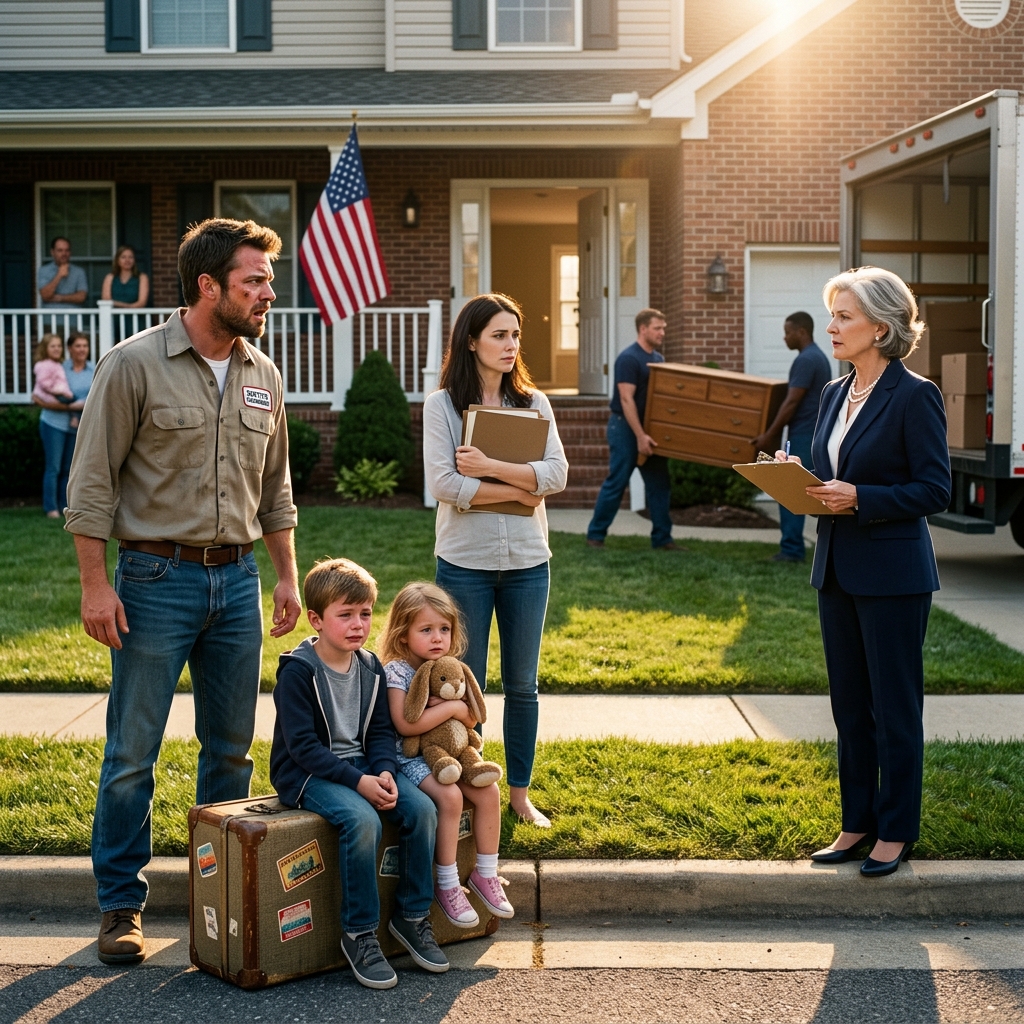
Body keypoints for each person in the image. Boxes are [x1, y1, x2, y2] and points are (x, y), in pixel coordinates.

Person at [64, 218, 301, 965]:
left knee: (229, 755)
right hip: (153, 579)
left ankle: (219, 901)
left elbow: (277, 489)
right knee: (133, 751)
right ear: (209, 285)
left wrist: (286, 573)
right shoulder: (132, 365)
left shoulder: (265, 375)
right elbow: (91, 483)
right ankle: (120, 908)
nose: (269, 292)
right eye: (254, 280)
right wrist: (96, 586)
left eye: (268, 279)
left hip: (236, 583)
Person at [777, 266, 950, 878]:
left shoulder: (915, 395)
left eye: (844, 317)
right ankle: (856, 823)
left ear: (880, 327)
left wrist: (863, 498)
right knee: (850, 707)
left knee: (894, 707)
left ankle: (895, 830)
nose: (833, 327)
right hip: (837, 569)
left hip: (895, 574)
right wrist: (795, 477)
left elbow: (935, 488)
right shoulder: (832, 392)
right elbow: (833, 473)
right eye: (833, 315)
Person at [422, 293, 568, 828]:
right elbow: (443, 483)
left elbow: (556, 476)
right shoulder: (442, 406)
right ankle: (464, 791)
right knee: (463, 682)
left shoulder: (535, 402)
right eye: (500, 335)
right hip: (465, 562)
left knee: (523, 684)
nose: (511, 346)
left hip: (529, 562)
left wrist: (489, 467)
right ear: (472, 341)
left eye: (516, 335)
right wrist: (521, 487)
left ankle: (520, 794)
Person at [270, 559, 448, 990]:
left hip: (366, 767)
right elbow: (304, 748)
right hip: (309, 775)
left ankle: (411, 916)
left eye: (365, 614)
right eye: (345, 615)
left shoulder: (370, 666)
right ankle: (360, 932)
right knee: (362, 819)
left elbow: (382, 733)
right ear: (316, 619)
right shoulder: (298, 672)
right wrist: (359, 783)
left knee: (423, 808)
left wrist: (384, 772)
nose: (357, 625)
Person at [379, 581, 513, 929]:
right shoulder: (397, 671)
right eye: (426, 629)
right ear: (403, 633)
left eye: (444, 629)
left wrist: (452, 705)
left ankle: (486, 874)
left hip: (453, 754)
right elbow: (407, 724)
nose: (437, 637)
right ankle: (447, 882)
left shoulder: (450, 668)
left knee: (490, 792)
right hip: (409, 759)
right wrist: (453, 705)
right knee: (451, 798)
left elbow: (472, 717)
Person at [586, 308, 679, 551]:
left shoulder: (658, 359)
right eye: (657, 328)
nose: (662, 332)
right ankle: (595, 536)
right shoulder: (629, 358)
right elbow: (626, 400)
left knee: (660, 484)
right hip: (625, 428)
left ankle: (663, 539)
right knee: (617, 482)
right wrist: (639, 436)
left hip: (649, 430)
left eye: (663, 328)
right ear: (643, 329)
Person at [751, 311, 833, 563]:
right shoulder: (815, 357)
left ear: (801, 332)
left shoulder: (807, 359)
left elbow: (791, 402)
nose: (784, 338)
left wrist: (768, 435)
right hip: (810, 433)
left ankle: (791, 550)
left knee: (790, 491)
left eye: (788, 332)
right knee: (802, 492)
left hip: (804, 435)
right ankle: (794, 547)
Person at [32, 331, 92, 517]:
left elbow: (93, 398)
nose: (82, 350)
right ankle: (51, 508)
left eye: (85, 346)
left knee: (68, 469)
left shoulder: (94, 369)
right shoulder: (60, 367)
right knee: (54, 467)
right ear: (70, 349)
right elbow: (41, 392)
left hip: (77, 426)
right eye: (78, 346)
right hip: (54, 423)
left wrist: (72, 406)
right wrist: (67, 406)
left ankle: (65, 506)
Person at [38, 237, 89, 308]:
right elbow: (45, 295)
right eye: (60, 250)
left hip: (73, 318)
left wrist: (59, 298)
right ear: (52, 252)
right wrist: (59, 275)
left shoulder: (79, 271)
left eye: (67, 250)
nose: (64, 253)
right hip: (50, 318)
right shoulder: (44, 270)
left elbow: (81, 297)